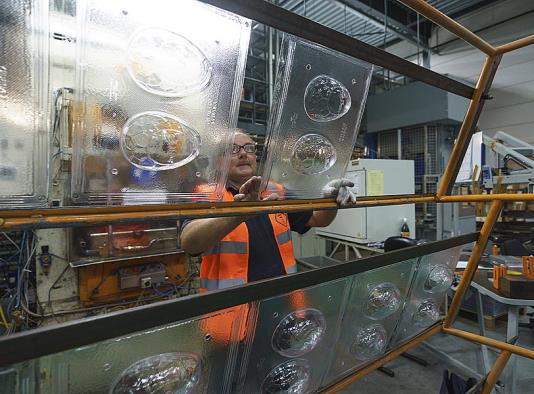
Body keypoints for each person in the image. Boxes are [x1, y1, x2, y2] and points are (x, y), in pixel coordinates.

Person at [180, 131, 356, 291]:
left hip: (281, 299)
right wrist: (238, 215)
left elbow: (319, 219)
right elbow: (189, 244)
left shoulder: (276, 191)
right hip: (231, 308)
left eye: (249, 148)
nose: (243, 153)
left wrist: (329, 200)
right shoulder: (207, 195)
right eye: (232, 150)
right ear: (219, 162)